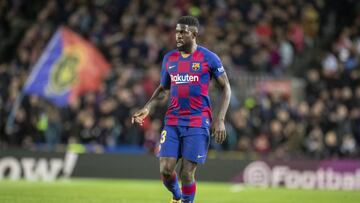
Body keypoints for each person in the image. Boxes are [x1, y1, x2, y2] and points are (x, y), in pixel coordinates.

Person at [132, 16, 231, 203]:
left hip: (197, 121)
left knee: (187, 173)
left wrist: (220, 119)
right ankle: (177, 197)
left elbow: (226, 87)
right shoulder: (169, 59)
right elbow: (163, 90)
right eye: (177, 31)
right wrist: (147, 107)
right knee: (166, 170)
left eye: (183, 32)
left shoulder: (209, 58)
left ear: (194, 34)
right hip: (173, 121)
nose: (178, 35)